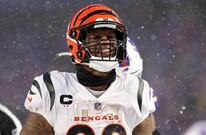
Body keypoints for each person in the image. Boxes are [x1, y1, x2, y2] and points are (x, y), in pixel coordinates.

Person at [20, 4, 156, 135]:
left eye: (110, 37)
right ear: (76, 43)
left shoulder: (136, 89)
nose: (105, 43)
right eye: (96, 38)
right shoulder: (52, 89)